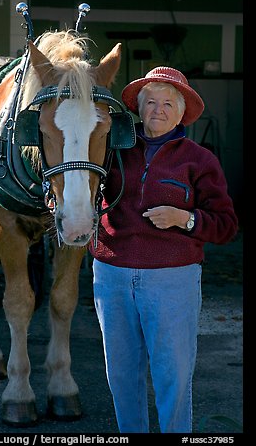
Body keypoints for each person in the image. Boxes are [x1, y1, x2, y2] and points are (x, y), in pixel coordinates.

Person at [89, 66, 238, 433]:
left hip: (173, 281)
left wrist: (183, 219)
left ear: (182, 111)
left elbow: (226, 226)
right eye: (150, 101)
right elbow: (80, 185)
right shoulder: (112, 149)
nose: (158, 109)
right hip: (113, 275)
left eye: (168, 103)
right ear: (138, 108)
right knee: (121, 374)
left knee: (173, 375)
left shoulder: (200, 160)